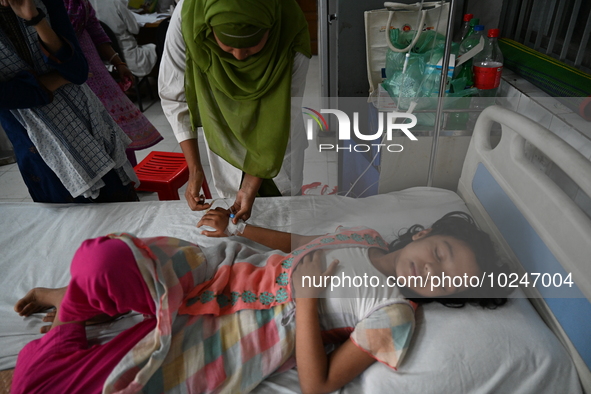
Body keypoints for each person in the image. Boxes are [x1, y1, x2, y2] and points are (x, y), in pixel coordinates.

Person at [12, 211, 508, 393]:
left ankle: (77, 313)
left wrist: (307, 300)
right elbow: (300, 243)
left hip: (240, 335)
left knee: (63, 381)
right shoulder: (365, 234)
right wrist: (241, 228)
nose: (431, 271)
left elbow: (318, 385)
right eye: (440, 254)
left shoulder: (397, 312)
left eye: (445, 281)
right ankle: (80, 298)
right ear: (423, 232)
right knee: (104, 261)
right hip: (224, 273)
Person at [159, 0, 312, 221]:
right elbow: (174, 95)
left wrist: (251, 183)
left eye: (251, 46)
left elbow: (285, 111)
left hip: (277, 142)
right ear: (209, 30)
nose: (239, 56)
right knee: (236, 223)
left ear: (270, 28)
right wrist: (195, 170)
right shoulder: (189, 16)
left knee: (285, 218)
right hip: (224, 140)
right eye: (228, 46)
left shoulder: (290, 27)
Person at [0, 0, 139, 203]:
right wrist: (60, 78)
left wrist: (36, 20)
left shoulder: (43, 3)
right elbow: (5, 95)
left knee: (123, 219)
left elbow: (78, 70)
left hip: (89, 126)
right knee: (69, 225)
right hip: (36, 142)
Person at [63, 0, 162, 166]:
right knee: (91, 132)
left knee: (117, 127)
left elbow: (96, 31)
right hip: (70, 74)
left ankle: (131, 179)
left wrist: (118, 63)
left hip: (97, 70)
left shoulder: (81, 4)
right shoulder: (44, 6)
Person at [88, 0, 157, 77]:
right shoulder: (115, 3)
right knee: (157, 46)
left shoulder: (85, 5)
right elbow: (135, 29)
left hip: (104, 61)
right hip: (129, 59)